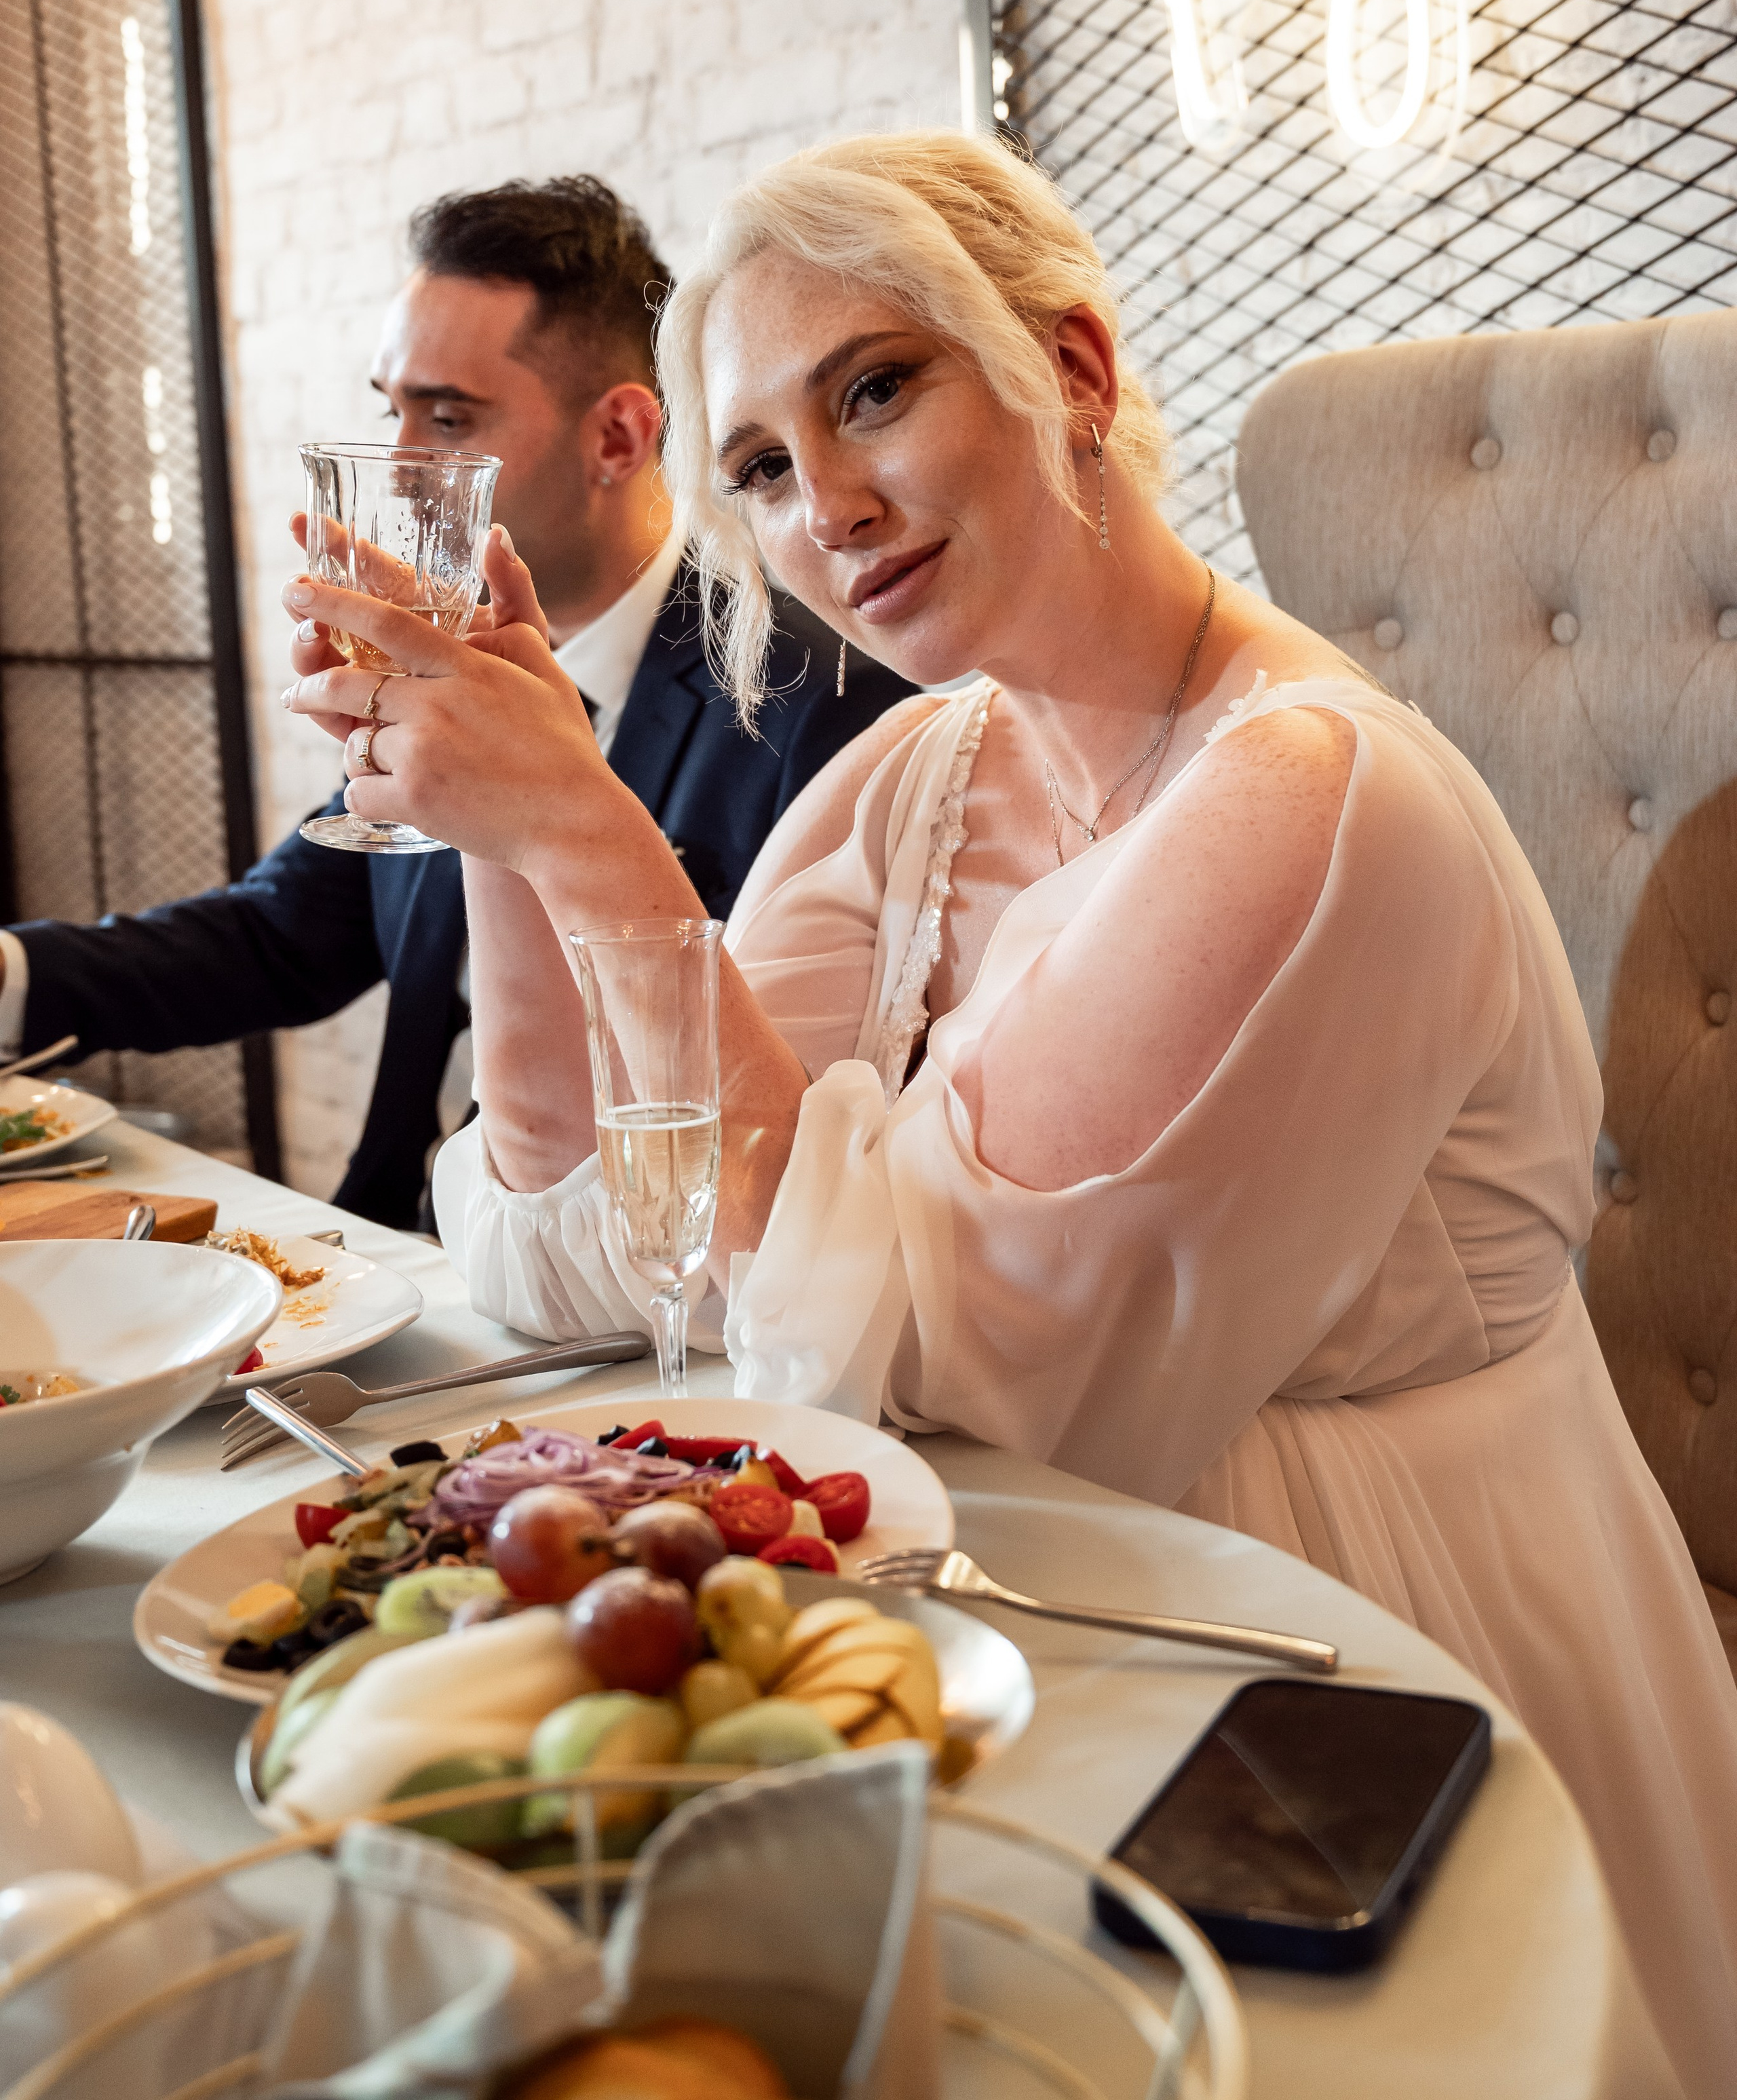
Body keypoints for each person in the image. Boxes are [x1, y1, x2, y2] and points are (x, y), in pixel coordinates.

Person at [276, 130, 1737, 2093]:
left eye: (876, 388)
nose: (831, 506)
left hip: (1350, 1647)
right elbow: (604, 1249)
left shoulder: (1311, 796)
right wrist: (503, 835)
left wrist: (588, 830)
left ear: (1074, 369)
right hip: (996, 1589)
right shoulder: (918, 779)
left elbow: (945, 1360)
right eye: (768, 469)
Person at [0, 176, 905, 1227]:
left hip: (649, 1290)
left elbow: (774, 1129)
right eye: (392, 410)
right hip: (404, 1257)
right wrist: (12, 974)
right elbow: (283, 934)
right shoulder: (444, 677)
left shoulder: (816, 701)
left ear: (618, 438)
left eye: (447, 416)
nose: (398, 464)